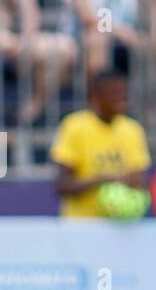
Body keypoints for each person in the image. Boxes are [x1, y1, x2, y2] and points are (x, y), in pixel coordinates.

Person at [52, 70, 152, 216]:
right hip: (81, 227)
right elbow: (62, 186)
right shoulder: (74, 126)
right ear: (95, 97)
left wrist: (135, 184)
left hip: (123, 230)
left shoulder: (133, 129)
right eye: (114, 93)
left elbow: (141, 180)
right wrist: (103, 179)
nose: (122, 99)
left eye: (124, 94)